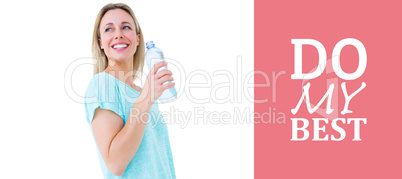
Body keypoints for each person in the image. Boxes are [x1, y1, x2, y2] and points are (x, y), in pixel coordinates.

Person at [84, 3, 176, 178]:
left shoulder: (143, 91)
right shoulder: (102, 84)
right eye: (109, 29)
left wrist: (147, 95)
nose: (118, 34)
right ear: (100, 43)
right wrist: (146, 97)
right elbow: (115, 163)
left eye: (126, 27)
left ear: (138, 38)